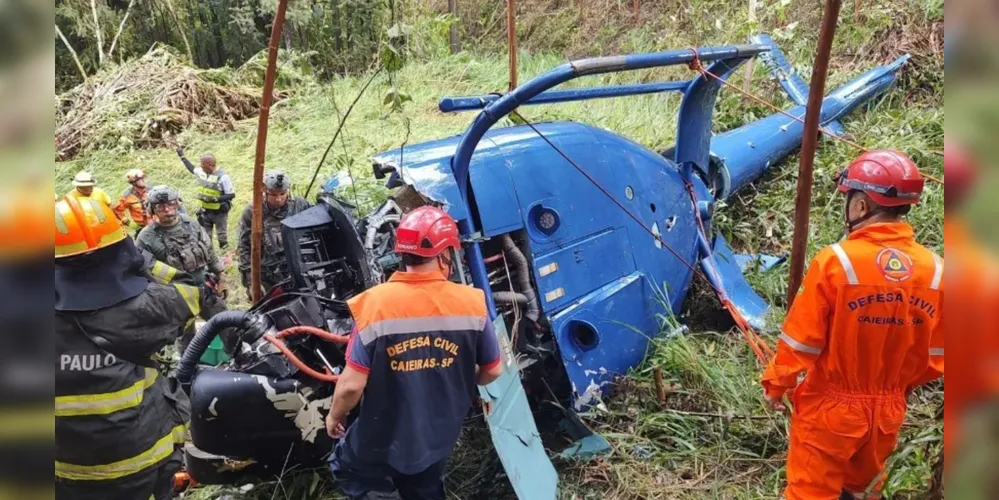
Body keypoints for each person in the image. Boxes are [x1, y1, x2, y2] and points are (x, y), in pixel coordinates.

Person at [761, 149, 944, 500]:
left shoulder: (836, 262)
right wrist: (893, 385)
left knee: (810, 491)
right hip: (889, 409)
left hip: (831, 409)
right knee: (863, 489)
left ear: (861, 206)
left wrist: (777, 384)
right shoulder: (936, 270)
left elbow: (801, 339)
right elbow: (938, 356)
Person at [325, 206, 505, 500]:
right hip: (437, 438)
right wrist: (454, 370)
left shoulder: (375, 305)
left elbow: (351, 386)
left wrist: (335, 417)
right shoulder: (472, 303)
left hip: (381, 439)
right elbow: (492, 371)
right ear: (445, 252)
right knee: (425, 486)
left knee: (347, 469)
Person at [55, 194, 203, 500]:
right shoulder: (142, 308)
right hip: (144, 461)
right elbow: (190, 292)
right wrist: (140, 259)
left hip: (65, 470)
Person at [136, 185, 226, 347]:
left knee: (226, 326)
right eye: (160, 206)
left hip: (204, 289)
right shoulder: (146, 238)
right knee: (186, 339)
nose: (167, 210)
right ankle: (189, 370)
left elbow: (209, 251)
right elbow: (143, 273)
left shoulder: (191, 224)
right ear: (152, 209)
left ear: (177, 203)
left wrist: (221, 277)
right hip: (175, 298)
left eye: (171, 204)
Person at [237, 170, 311, 299]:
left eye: (282, 194)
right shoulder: (253, 211)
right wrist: (252, 282)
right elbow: (244, 247)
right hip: (268, 274)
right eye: (273, 194)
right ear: (265, 193)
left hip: (298, 268)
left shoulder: (300, 205)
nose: (278, 199)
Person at [176, 147, 235, 249]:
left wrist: (215, 199)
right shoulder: (202, 172)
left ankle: (225, 255)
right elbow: (192, 169)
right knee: (205, 237)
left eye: (202, 164)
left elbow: (231, 195)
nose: (200, 166)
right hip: (205, 211)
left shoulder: (223, 177)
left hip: (219, 212)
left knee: (222, 235)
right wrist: (182, 156)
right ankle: (209, 255)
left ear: (210, 165)